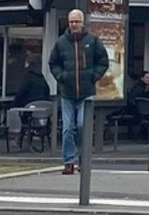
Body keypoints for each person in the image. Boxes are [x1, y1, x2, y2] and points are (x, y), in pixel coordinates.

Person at [47, 9, 109, 175]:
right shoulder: (61, 43)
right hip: (67, 92)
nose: (74, 24)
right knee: (68, 128)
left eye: (76, 21)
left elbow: (103, 61)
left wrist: (93, 76)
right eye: (71, 22)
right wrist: (61, 76)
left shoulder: (93, 41)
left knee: (83, 125)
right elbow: (53, 63)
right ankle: (68, 161)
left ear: (82, 22)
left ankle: (84, 158)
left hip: (86, 91)